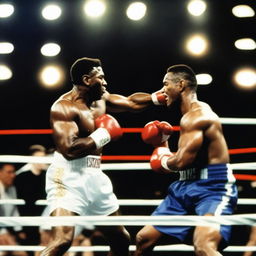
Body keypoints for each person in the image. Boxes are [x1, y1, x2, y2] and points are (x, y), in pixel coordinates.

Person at [40, 57, 166, 256]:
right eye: (101, 78)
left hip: (95, 174)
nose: (106, 82)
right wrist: (104, 134)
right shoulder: (63, 107)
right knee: (62, 241)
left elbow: (131, 102)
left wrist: (156, 98)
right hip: (67, 177)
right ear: (87, 80)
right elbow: (69, 150)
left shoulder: (101, 100)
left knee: (121, 239)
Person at [134, 64, 238, 256]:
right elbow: (185, 160)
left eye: (165, 85)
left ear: (181, 85)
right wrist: (164, 148)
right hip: (184, 186)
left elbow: (181, 161)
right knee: (143, 240)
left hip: (213, 187)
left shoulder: (197, 117)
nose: (162, 91)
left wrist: (163, 159)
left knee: (204, 246)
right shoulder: (188, 116)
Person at [15, 144, 48, 247]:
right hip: (27, 218)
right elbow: (19, 203)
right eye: (38, 158)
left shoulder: (47, 176)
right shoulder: (22, 177)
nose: (41, 161)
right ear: (31, 159)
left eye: (43, 158)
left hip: (44, 218)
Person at [0, 163, 27, 256]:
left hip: (6, 228)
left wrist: (19, 230)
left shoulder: (12, 189)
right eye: (9, 172)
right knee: (19, 253)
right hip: (2, 229)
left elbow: (14, 210)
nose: (13, 175)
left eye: (13, 172)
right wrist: (3, 233)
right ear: (0, 173)